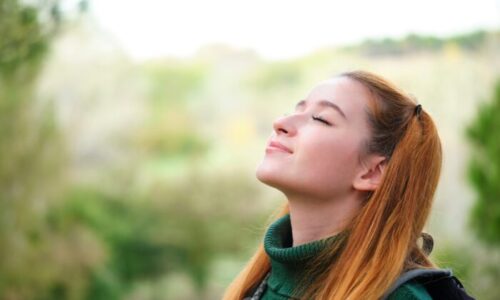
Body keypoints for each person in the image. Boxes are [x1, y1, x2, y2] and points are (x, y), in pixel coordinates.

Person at [222, 70, 474, 300]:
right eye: (295, 110)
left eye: (321, 119)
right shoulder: (258, 284)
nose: (280, 123)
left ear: (372, 172)